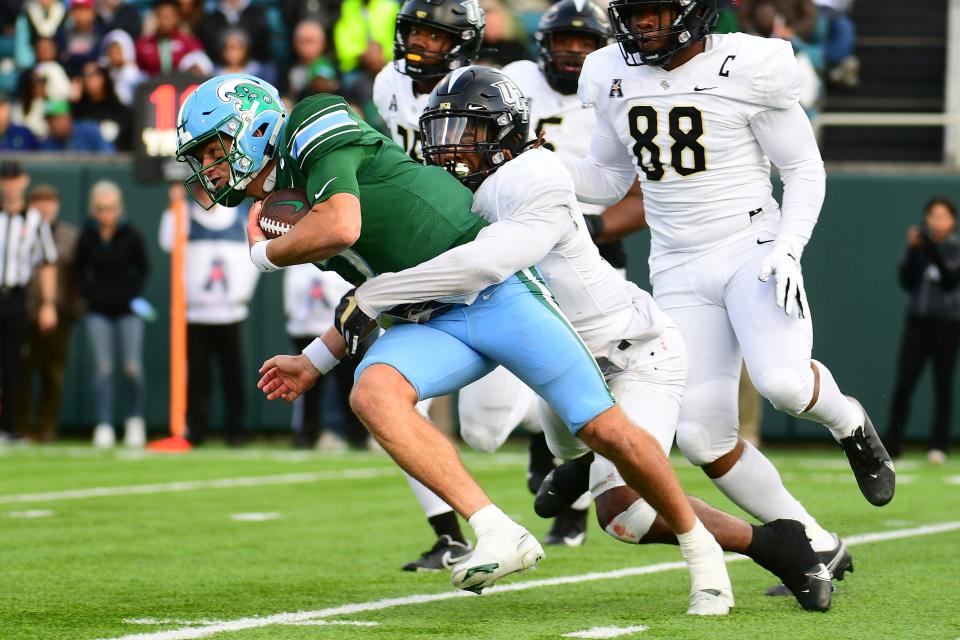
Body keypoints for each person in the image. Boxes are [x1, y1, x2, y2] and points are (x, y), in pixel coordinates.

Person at [177, 74, 734, 613]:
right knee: (373, 396)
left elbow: (342, 228)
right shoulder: (297, 202)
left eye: (213, 148)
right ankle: (495, 530)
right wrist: (315, 360)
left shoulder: (312, 120)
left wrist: (262, 255)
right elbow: (376, 289)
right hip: (427, 318)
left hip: (497, 293)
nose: (208, 166)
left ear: (251, 128)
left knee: (604, 430)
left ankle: (700, 549)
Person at [352, 64, 832, 613]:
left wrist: (375, 294)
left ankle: (772, 545)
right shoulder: (460, 191)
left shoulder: (534, 174)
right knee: (533, 445)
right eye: (441, 135)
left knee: (628, 515)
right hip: (555, 358)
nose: (451, 150)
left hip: (630, 352)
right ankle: (579, 463)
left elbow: (484, 263)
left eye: (468, 133)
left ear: (507, 133)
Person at [553, 0, 893, 595]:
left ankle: (851, 422)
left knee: (784, 383)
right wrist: (541, 165)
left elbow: (804, 168)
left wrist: (789, 247)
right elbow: (607, 180)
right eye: (632, 12)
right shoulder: (610, 71)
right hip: (677, 265)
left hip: (751, 247)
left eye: (655, 12)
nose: (641, 25)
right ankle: (815, 542)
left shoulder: (751, 63)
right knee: (703, 437)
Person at [158, 185, 259, 447]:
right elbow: (166, 241)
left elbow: (256, 258)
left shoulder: (240, 216)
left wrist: (242, 292)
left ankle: (236, 430)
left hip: (232, 312)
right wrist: (174, 208)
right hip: (195, 314)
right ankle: (196, 429)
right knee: (198, 376)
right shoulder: (184, 216)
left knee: (233, 375)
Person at [74, 180, 149, 448]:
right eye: (102, 209)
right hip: (98, 312)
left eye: (112, 208)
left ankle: (134, 421)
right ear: (94, 211)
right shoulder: (87, 237)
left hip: (127, 311)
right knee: (103, 369)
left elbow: (143, 267)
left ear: (119, 209)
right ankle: (103, 425)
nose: (107, 214)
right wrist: (90, 294)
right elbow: (79, 270)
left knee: (132, 367)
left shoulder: (131, 234)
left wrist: (130, 293)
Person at [886, 198, 960, 464]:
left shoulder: (955, 247)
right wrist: (915, 250)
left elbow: (950, 280)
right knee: (904, 383)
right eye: (932, 215)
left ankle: (938, 445)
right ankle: (892, 444)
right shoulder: (918, 247)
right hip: (917, 322)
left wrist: (930, 249)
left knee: (943, 384)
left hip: (948, 324)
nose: (937, 221)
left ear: (952, 221)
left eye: (943, 216)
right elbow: (906, 281)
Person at [16, 184, 82, 443]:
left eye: (49, 201)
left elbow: (78, 276)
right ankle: (21, 426)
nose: (44, 207)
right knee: (21, 372)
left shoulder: (70, 236)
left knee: (52, 373)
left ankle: (47, 427)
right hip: (22, 311)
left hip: (58, 313)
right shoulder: (17, 230)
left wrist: (65, 307)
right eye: (38, 201)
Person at [0, 161, 58, 445]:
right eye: (5, 179)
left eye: (14, 179)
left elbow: (47, 263)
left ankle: (10, 427)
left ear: (24, 181)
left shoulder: (34, 220)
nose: (9, 184)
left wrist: (48, 303)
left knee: (13, 363)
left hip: (15, 296)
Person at [284, 264, 370, 450]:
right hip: (307, 333)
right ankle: (307, 434)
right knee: (308, 389)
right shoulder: (299, 266)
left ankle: (358, 436)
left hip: (342, 333)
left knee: (350, 386)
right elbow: (291, 299)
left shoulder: (345, 262)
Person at [135, 0, 203, 76]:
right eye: (160, 16)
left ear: (177, 18)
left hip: (181, 84)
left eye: (168, 17)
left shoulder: (188, 42)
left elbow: (201, 64)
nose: (164, 21)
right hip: (152, 85)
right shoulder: (142, 44)